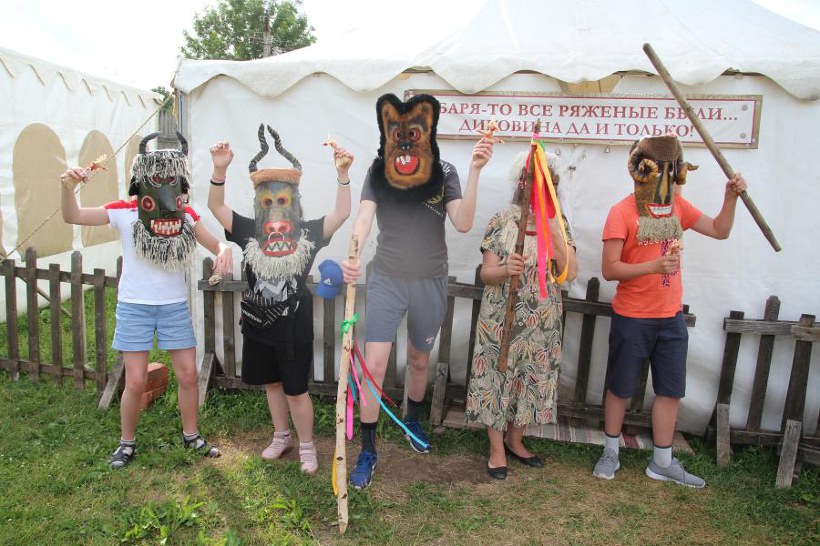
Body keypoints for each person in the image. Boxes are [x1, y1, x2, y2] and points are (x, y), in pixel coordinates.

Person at [341, 93, 495, 489]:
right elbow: (363, 218)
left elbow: (463, 222)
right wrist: (353, 253)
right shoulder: (379, 170)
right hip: (387, 278)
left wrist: (475, 170)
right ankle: (368, 450)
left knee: (418, 361)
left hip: (430, 279)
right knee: (375, 365)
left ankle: (412, 420)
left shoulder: (444, 171)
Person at [60, 132, 233, 469]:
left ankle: (191, 435)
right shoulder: (125, 212)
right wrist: (67, 187)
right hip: (134, 306)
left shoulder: (185, 215)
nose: (164, 184)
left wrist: (224, 249)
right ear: (142, 180)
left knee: (188, 375)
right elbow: (73, 216)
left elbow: (215, 243)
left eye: (171, 179)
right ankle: (126, 443)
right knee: (136, 380)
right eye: (156, 178)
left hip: (172, 306)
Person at [593, 134, 747, 488]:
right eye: (661, 169)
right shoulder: (622, 211)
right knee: (620, 386)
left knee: (671, 389)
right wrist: (652, 267)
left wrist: (730, 198)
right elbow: (610, 269)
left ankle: (662, 462)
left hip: (670, 316)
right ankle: (611, 451)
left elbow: (720, 230)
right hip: (633, 315)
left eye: (671, 169)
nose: (667, 177)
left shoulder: (678, 206)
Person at [207, 125, 352, 474]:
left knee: (296, 389)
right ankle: (281, 435)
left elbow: (341, 214)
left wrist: (343, 176)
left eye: (282, 200)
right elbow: (215, 206)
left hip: (293, 327)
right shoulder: (248, 230)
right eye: (267, 201)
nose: (274, 207)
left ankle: (307, 446)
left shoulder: (308, 232)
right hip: (258, 322)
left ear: (294, 201)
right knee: (272, 383)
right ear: (259, 202)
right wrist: (219, 169)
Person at [465, 151, 577, 480]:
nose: (540, 191)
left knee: (530, 378)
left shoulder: (559, 224)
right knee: (497, 378)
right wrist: (504, 269)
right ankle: (496, 449)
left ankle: (515, 440)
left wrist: (551, 226)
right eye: (534, 184)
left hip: (541, 322)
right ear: (521, 185)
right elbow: (486, 274)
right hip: (502, 320)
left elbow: (570, 272)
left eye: (547, 186)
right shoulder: (502, 221)